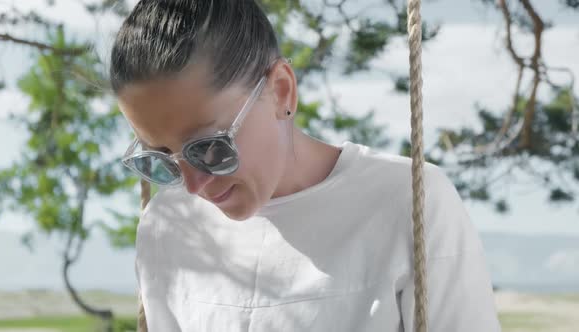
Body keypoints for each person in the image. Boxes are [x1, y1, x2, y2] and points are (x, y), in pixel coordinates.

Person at [110, 0, 501, 331]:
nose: (194, 186)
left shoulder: (408, 201)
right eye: (161, 159)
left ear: (281, 90)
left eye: (210, 148)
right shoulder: (167, 223)